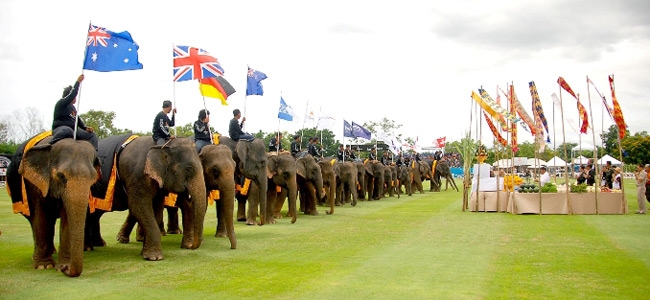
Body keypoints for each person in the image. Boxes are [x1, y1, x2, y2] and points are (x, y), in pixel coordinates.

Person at [51, 74, 98, 150]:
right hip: (61, 129)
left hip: (74, 131)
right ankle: (51, 145)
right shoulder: (61, 103)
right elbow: (72, 94)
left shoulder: (73, 108)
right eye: (74, 97)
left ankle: (94, 155)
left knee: (92, 135)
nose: (75, 98)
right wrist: (78, 82)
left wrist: (85, 127)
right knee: (67, 130)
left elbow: (77, 119)